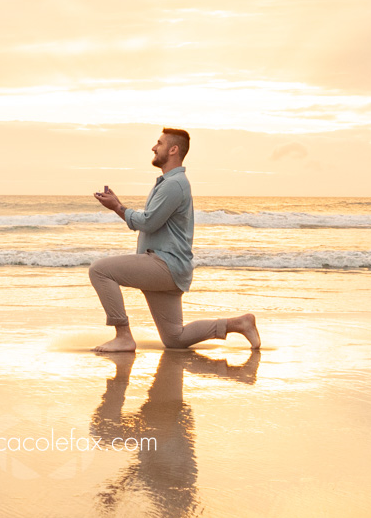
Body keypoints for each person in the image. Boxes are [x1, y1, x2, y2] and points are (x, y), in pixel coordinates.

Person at [90, 128, 260, 353]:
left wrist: (117, 207)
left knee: (99, 270)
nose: (153, 147)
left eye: (159, 143)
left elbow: (148, 223)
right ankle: (238, 323)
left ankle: (123, 336)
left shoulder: (174, 184)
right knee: (175, 339)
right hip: (171, 266)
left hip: (163, 265)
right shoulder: (169, 183)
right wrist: (119, 206)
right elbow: (151, 221)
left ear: (173, 149)